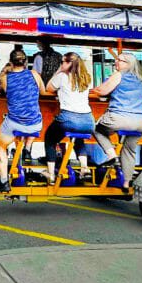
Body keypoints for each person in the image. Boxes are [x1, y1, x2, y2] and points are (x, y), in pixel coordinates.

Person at [91, 52, 142, 190]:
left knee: (94, 127)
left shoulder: (118, 75)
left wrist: (93, 90)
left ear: (129, 64)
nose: (116, 62)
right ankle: (126, 183)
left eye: (120, 60)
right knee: (129, 149)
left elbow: (102, 91)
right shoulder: (141, 79)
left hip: (120, 118)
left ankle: (112, 156)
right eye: (116, 59)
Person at [0, 49, 44, 192]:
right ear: (26, 62)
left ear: (11, 61)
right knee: (33, 122)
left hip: (14, 122)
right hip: (35, 124)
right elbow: (43, 91)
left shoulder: (5, 79)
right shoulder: (34, 75)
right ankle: (27, 149)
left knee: (1, 147)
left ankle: (4, 181)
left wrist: (5, 70)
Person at [43, 52, 95, 184]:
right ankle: (84, 168)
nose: (61, 64)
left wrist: (59, 71)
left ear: (69, 64)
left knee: (50, 138)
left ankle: (51, 173)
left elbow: (48, 88)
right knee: (79, 138)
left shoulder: (62, 76)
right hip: (88, 120)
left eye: (63, 62)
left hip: (69, 118)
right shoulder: (87, 78)